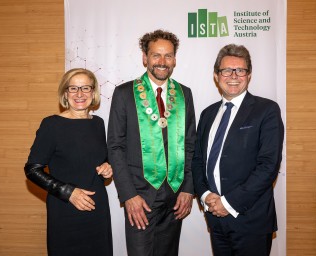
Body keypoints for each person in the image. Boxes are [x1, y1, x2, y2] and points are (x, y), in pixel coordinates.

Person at [107, 29, 196, 256]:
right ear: (145, 58)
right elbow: (115, 147)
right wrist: (128, 195)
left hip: (174, 198)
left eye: (168, 56)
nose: (162, 62)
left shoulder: (185, 94)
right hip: (140, 198)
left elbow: (190, 145)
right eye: (156, 55)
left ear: (175, 59)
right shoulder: (124, 93)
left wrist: (188, 189)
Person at [191, 44, 284, 256]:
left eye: (240, 70)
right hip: (215, 218)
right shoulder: (207, 114)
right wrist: (206, 196)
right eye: (226, 70)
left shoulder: (267, 110)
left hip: (251, 221)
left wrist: (228, 202)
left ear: (249, 75)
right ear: (216, 76)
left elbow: (268, 166)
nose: (233, 76)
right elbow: (197, 161)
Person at [24, 68, 113, 256]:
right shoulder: (51, 124)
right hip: (65, 209)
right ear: (65, 93)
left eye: (85, 88)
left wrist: (107, 167)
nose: (79, 94)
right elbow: (32, 169)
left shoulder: (98, 123)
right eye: (73, 88)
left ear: (93, 92)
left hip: (97, 208)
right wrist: (68, 192)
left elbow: (93, 160)